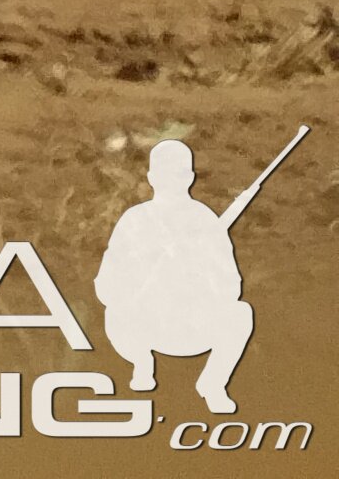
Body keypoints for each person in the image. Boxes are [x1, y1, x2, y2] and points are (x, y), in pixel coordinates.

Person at [96, 137, 260, 416]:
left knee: (241, 314)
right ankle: (142, 364)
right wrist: (145, 273)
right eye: (165, 173)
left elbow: (231, 287)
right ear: (151, 177)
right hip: (144, 326)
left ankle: (213, 384)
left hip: (191, 326)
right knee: (115, 313)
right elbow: (106, 285)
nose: (172, 179)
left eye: (179, 173)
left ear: (190, 177)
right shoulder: (135, 220)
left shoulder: (205, 221)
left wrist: (197, 272)